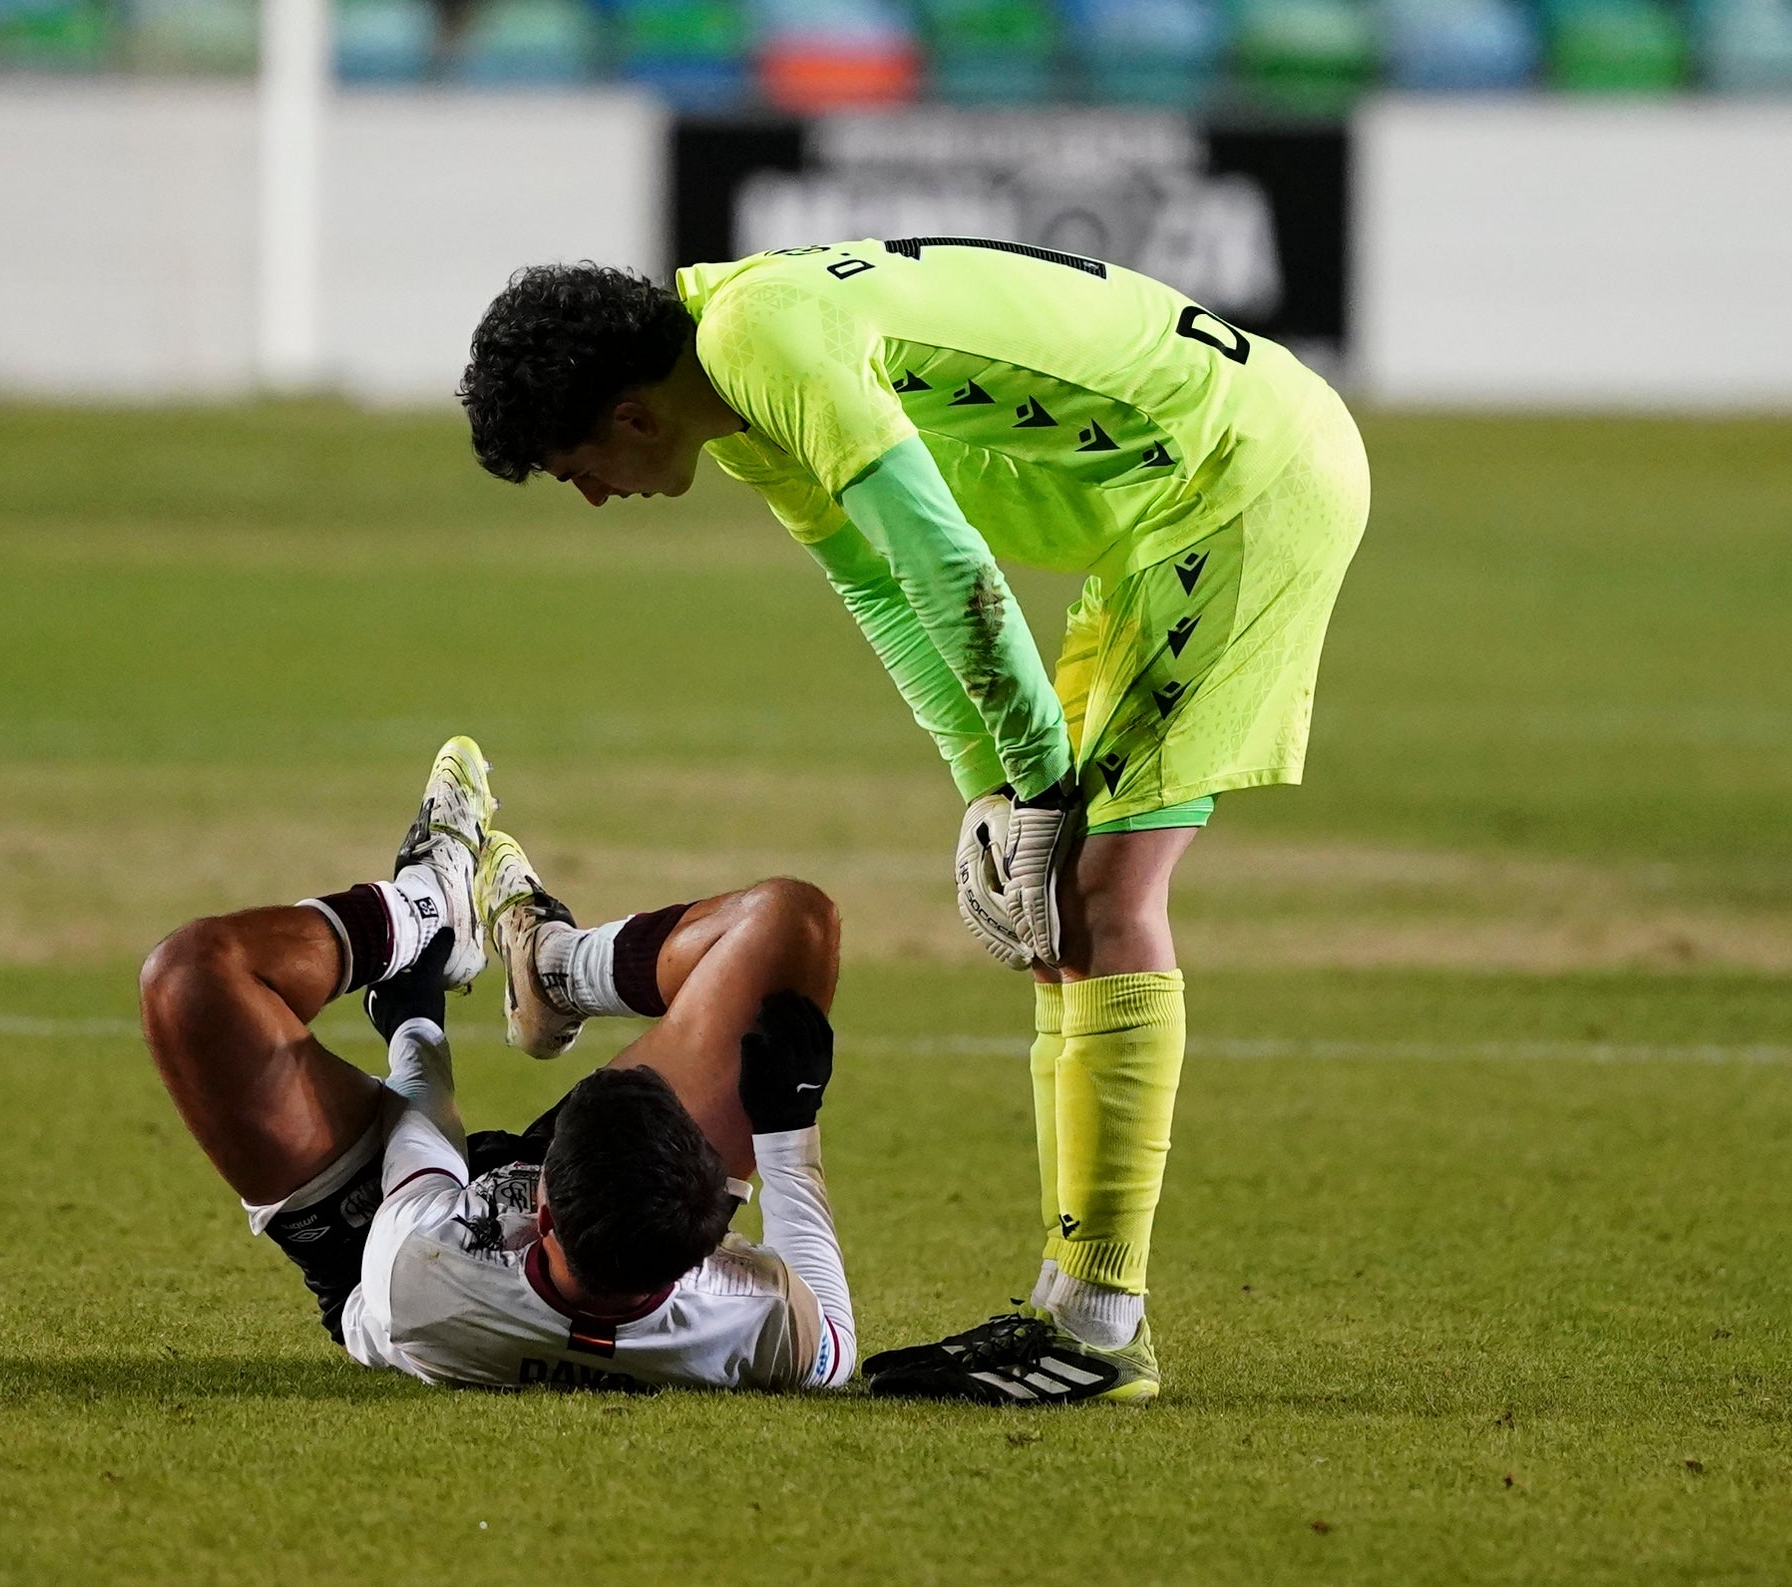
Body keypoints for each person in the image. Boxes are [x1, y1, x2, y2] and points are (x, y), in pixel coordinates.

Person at [457, 241, 1371, 1405]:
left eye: (575, 469)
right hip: (1170, 508)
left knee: (1102, 893)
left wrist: (1038, 782)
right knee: (1059, 904)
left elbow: (945, 561)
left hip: (1237, 482)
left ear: (630, 416)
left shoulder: (759, 338)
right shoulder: (738, 387)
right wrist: (994, 792)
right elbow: (881, 590)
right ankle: (1071, 1308)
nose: (593, 498)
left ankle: (1098, 1328)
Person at [138, 737, 858, 1393]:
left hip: (377, 1232)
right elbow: (834, 1349)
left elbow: (421, 1124)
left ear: (540, 1204)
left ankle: (425, 904)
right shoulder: (749, 1313)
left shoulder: (412, 1277)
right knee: (792, 925)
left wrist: (415, 1009)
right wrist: (786, 1120)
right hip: (641, 1219)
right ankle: (556, 968)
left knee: (188, 981)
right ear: (706, 1238)